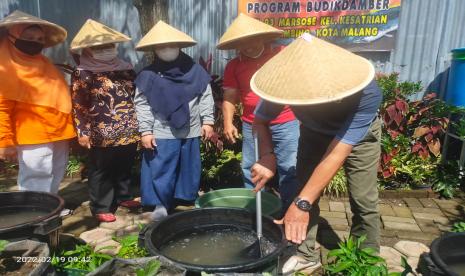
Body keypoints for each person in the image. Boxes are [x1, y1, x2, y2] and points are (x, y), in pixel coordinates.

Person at [250, 33, 382, 274]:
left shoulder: (368, 93)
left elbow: (336, 154)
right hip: (313, 134)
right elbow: (259, 121)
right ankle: (305, 253)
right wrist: (268, 155)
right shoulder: (286, 82)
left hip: (361, 139)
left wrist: (301, 204)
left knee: (364, 200)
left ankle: (367, 259)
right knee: (305, 189)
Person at [217, 13, 299, 211]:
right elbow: (229, 96)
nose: (249, 46)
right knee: (250, 167)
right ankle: (256, 210)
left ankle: (289, 213)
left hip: (286, 120)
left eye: (253, 40)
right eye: (243, 43)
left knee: (289, 168)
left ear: (263, 38)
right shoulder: (234, 66)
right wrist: (228, 122)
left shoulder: (283, 54)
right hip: (251, 123)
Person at [134, 21, 214, 220]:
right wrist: (145, 131)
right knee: (162, 167)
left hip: (192, 128)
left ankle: (185, 198)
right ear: (155, 50)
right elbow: (141, 104)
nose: (167, 50)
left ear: (179, 46)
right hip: (162, 130)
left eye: (171, 45)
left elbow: (205, 95)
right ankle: (161, 203)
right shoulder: (147, 75)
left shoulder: (195, 71)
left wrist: (208, 121)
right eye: (161, 46)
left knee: (189, 166)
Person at [70, 19, 140, 223]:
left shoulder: (124, 68)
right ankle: (101, 205)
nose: (105, 50)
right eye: (99, 47)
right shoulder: (84, 72)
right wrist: (82, 132)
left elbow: (135, 95)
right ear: (88, 50)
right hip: (100, 130)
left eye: (109, 46)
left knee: (124, 164)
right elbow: (79, 104)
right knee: (102, 169)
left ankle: (124, 196)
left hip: (128, 126)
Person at [0, 10, 76, 194]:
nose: (35, 41)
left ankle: (50, 208)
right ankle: (33, 216)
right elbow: (1, 108)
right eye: (29, 36)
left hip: (59, 131)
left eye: (40, 39)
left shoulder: (45, 63)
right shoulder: (4, 68)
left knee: (56, 172)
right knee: (35, 177)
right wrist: (5, 142)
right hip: (32, 134)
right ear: (11, 37)